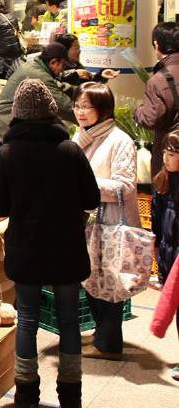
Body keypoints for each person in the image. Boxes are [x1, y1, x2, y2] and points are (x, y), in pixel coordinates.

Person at [0, 78, 100, 408]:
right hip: (66, 248)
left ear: (18, 115)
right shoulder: (69, 150)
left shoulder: (7, 154)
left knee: (27, 320)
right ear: (52, 113)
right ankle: (71, 399)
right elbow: (91, 198)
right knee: (69, 322)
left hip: (27, 250)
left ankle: (27, 396)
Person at [71, 83, 140, 361]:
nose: (80, 112)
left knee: (110, 282)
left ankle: (109, 343)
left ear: (103, 109)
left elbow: (125, 187)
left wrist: (85, 184)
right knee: (91, 277)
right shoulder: (83, 137)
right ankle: (101, 334)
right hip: (89, 222)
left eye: (87, 106)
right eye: (77, 105)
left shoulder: (119, 140)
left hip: (112, 223)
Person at [0, 42, 75, 153]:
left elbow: (57, 86)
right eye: (63, 65)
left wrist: (81, 91)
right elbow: (64, 107)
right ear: (53, 62)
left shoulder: (36, 66)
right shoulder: (37, 74)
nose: (63, 70)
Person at [151, 132, 179, 374]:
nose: (166, 159)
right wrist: (155, 243)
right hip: (169, 253)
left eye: (172, 154)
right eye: (165, 154)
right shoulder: (163, 181)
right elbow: (157, 221)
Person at [136, 21, 179, 175]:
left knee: (168, 196)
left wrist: (138, 111)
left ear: (156, 45)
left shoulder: (159, 80)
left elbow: (150, 119)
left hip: (171, 155)